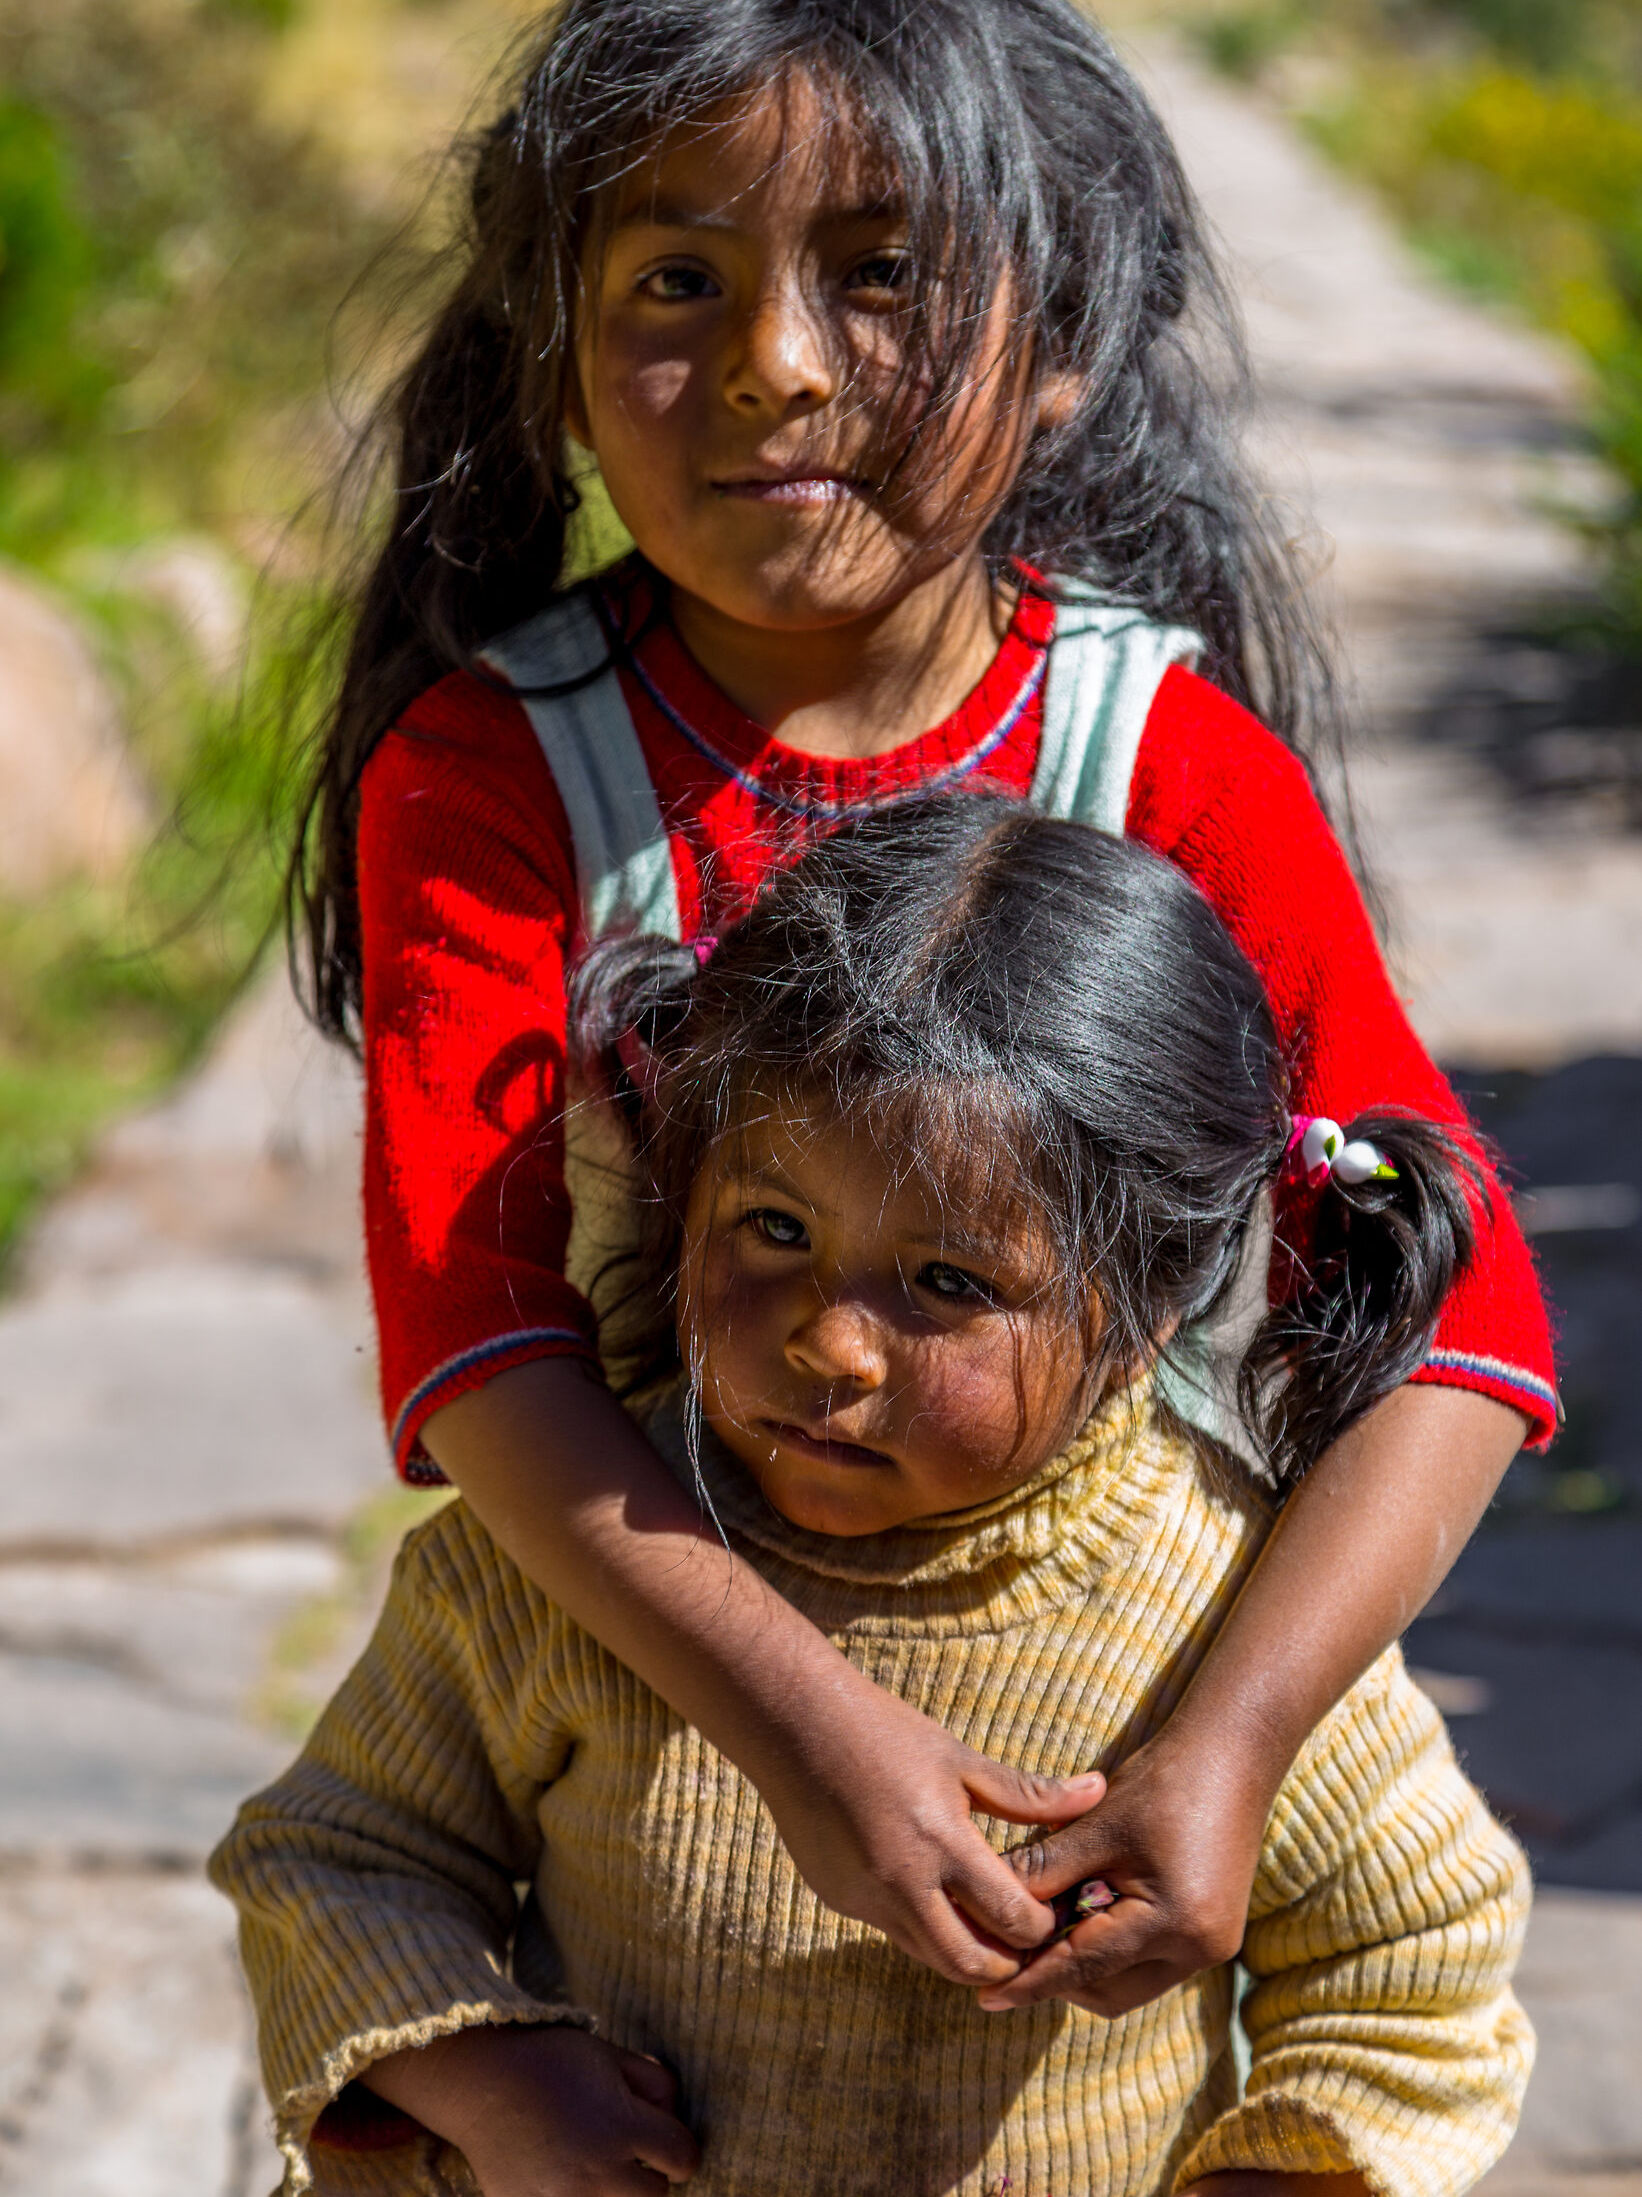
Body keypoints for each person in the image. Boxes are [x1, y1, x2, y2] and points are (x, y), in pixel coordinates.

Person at [291, 0, 1557, 2008]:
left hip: (1106, 1705)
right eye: (677, 281)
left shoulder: (1159, 758)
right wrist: (796, 1730)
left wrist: (1227, 1742)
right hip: (629, 1738)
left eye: (878, 278)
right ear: (561, 362)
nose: (777, 364)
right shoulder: (497, 775)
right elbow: (476, 1337)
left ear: (1060, 352)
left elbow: (1461, 1300)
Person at [216, 800, 1534, 2197]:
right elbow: (336, 1863)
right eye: (772, 1230)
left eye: (949, 1285)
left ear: (1150, 1311)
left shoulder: (1217, 1606)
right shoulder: (548, 1569)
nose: (827, 1345)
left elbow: (1409, 1973)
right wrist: (491, 2078)